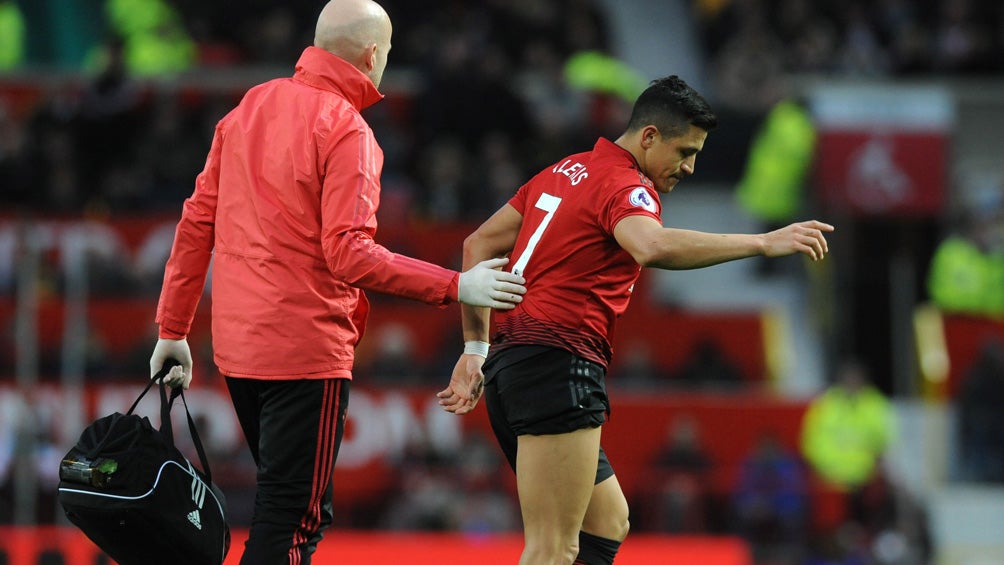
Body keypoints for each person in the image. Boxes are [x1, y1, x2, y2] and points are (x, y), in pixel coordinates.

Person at [147, 1, 526, 563]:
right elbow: (349, 254)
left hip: (239, 350)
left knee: (280, 508)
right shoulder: (348, 129)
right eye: (389, 53)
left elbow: (197, 221)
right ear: (373, 55)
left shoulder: (250, 106)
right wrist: (455, 285)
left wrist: (173, 328)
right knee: (294, 520)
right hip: (306, 350)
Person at [438, 75, 834, 565]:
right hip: (557, 365)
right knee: (553, 548)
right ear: (649, 137)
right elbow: (651, 245)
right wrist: (761, 242)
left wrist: (474, 350)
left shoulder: (564, 170)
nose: (689, 167)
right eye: (684, 151)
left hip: (512, 366)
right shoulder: (626, 184)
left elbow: (476, 245)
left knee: (607, 522)